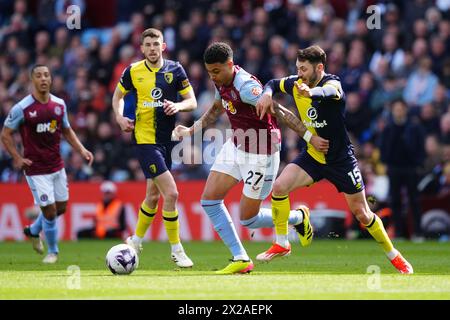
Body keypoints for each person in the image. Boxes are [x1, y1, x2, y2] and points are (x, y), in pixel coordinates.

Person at [173, 42, 329, 274]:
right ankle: (240, 257)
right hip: (236, 145)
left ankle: (297, 217)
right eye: (209, 72)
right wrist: (190, 131)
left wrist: (308, 137)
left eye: (216, 71)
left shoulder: (246, 87)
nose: (213, 77)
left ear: (229, 65)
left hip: (261, 154)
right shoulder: (221, 81)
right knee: (209, 201)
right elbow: (216, 109)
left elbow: (280, 111)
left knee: (248, 219)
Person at [256, 45, 413, 274]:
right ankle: (282, 243)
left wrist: (311, 93)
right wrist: (267, 94)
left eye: (304, 69)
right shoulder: (296, 82)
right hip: (313, 155)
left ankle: (395, 256)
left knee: (362, 213)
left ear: (319, 68)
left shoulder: (333, 83)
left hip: (341, 159)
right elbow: (271, 83)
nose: (299, 74)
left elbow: (329, 91)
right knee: (279, 187)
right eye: (298, 68)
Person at [112, 28, 197, 268]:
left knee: (152, 196)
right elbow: (117, 97)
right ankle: (176, 249)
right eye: (147, 44)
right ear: (141, 48)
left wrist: (178, 107)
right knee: (172, 193)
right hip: (144, 140)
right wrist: (120, 118)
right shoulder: (133, 71)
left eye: (155, 44)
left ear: (163, 46)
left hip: (167, 141)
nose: (151, 48)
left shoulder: (175, 69)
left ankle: (136, 240)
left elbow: (191, 100)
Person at [1, 64, 94, 264]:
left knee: (61, 208)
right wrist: (17, 158)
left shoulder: (59, 104)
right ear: (32, 80)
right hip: (35, 169)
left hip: (57, 166)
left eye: (46, 75)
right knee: (50, 211)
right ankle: (53, 252)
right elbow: (5, 134)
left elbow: (67, 130)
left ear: (51, 79)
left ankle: (33, 230)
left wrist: (82, 150)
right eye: (39, 76)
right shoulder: (22, 108)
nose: (43, 79)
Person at [380, 99, 426, 240]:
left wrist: (418, 163)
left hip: (411, 168)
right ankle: (399, 232)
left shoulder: (414, 127)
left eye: (401, 108)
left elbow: (420, 147)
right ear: (393, 111)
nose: (399, 111)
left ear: (405, 109)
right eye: (396, 109)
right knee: (395, 201)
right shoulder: (388, 128)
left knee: (414, 200)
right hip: (394, 168)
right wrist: (386, 161)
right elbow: (383, 148)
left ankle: (417, 232)